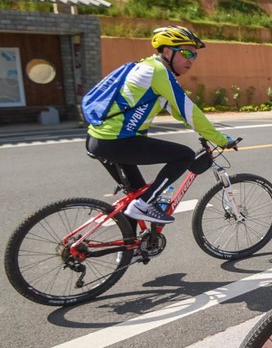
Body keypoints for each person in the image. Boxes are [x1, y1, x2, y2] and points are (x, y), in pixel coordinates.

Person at [85, 26, 235, 224]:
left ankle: (132, 249)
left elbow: (177, 111)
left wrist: (203, 131)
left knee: (137, 197)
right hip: (116, 141)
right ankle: (142, 206)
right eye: (186, 53)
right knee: (184, 156)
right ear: (166, 51)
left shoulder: (147, 68)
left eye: (194, 55)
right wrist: (220, 139)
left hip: (98, 139)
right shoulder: (157, 72)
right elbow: (188, 110)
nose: (191, 59)